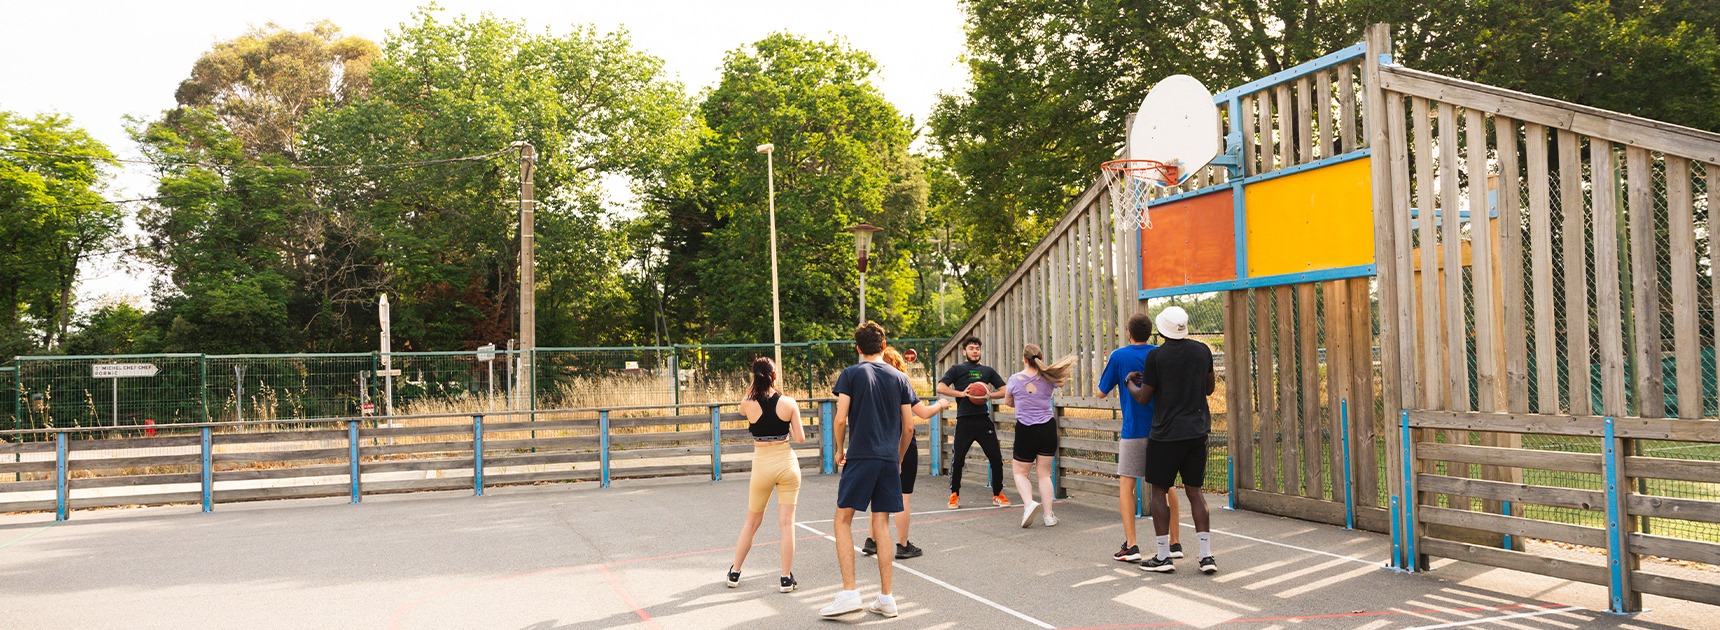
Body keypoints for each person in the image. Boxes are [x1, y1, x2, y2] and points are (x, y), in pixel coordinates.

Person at [821, 322, 919, 618]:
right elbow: (910, 426)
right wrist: (898, 457)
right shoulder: (900, 377)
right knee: (881, 524)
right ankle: (887, 598)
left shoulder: (851, 374)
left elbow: (840, 420)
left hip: (862, 455)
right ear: (884, 343)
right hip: (889, 458)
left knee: (842, 521)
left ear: (858, 347)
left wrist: (839, 450)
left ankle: (850, 592)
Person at [1126, 306, 1218, 575]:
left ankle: (1164, 556)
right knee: (1195, 493)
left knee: (1158, 491)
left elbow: (1144, 397)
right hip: (1197, 432)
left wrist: (1130, 382)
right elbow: (1209, 388)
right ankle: (1206, 555)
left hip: (1165, 435)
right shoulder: (1203, 351)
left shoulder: (1156, 356)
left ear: (1161, 329)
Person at [1097, 313, 1182, 562]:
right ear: (1151, 332)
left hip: (1133, 429)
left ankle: (1132, 545)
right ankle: (1175, 542)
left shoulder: (1119, 356)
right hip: (1162, 429)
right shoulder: (1160, 354)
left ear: (1129, 332)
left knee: (1127, 484)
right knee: (1167, 486)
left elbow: (1101, 393)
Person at [861, 347, 953, 560]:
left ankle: (872, 539)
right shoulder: (900, 383)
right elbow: (921, 414)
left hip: (877, 446)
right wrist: (939, 403)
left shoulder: (870, 387)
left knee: (878, 495)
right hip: (901, 445)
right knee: (903, 498)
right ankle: (902, 544)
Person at [726, 357, 808, 592]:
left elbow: (743, 407)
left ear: (754, 378)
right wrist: (789, 425)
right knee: (786, 523)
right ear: (774, 376)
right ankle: (785, 578)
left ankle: (735, 572)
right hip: (786, 464)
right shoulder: (789, 403)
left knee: (752, 522)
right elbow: (800, 438)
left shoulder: (747, 403)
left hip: (762, 466)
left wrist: (754, 387)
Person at [1002, 343, 1073, 528]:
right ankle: (1049, 516)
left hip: (1026, 429)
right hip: (1047, 429)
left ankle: (1029, 504)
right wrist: (1047, 372)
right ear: (1039, 359)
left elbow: (1008, 402)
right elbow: (1062, 381)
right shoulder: (1049, 378)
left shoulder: (1015, 379)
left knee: (1019, 472)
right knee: (1044, 474)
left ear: (1024, 359)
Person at [935, 337, 1010, 509]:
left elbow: (1005, 391)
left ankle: (997, 494)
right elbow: (940, 388)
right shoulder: (956, 369)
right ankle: (954, 495)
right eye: (971, 348)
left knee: (996, 458)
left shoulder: (987, 370)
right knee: (958, 459)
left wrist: (989, 395)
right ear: (964, 352)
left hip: (983, 420)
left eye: (977, 348)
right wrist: (962, 394)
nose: (975, 351)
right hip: (964, 420)